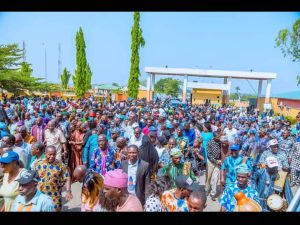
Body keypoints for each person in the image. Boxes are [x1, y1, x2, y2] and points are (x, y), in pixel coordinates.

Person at [33, 145, 72, 211]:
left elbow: (67, 178)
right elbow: (34, 177)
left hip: (55, 196)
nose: (52, 156)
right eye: (50, 154)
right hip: (41, 195)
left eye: (54, 154)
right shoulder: (38, 164)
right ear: (45, 154)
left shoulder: (61, 165)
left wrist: (68, 191)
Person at [206, 130, 222, 200]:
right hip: (211, 162)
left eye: (219, 136)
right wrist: (215, 161)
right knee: (208, 177)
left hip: (218, 161)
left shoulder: (220, 142)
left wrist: (220, 161)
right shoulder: (209, 143)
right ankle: (207, 189)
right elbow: (209, 155)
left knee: (215, 178)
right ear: (214, 137)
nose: (219, 138)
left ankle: (213, 193)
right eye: (218, 137)